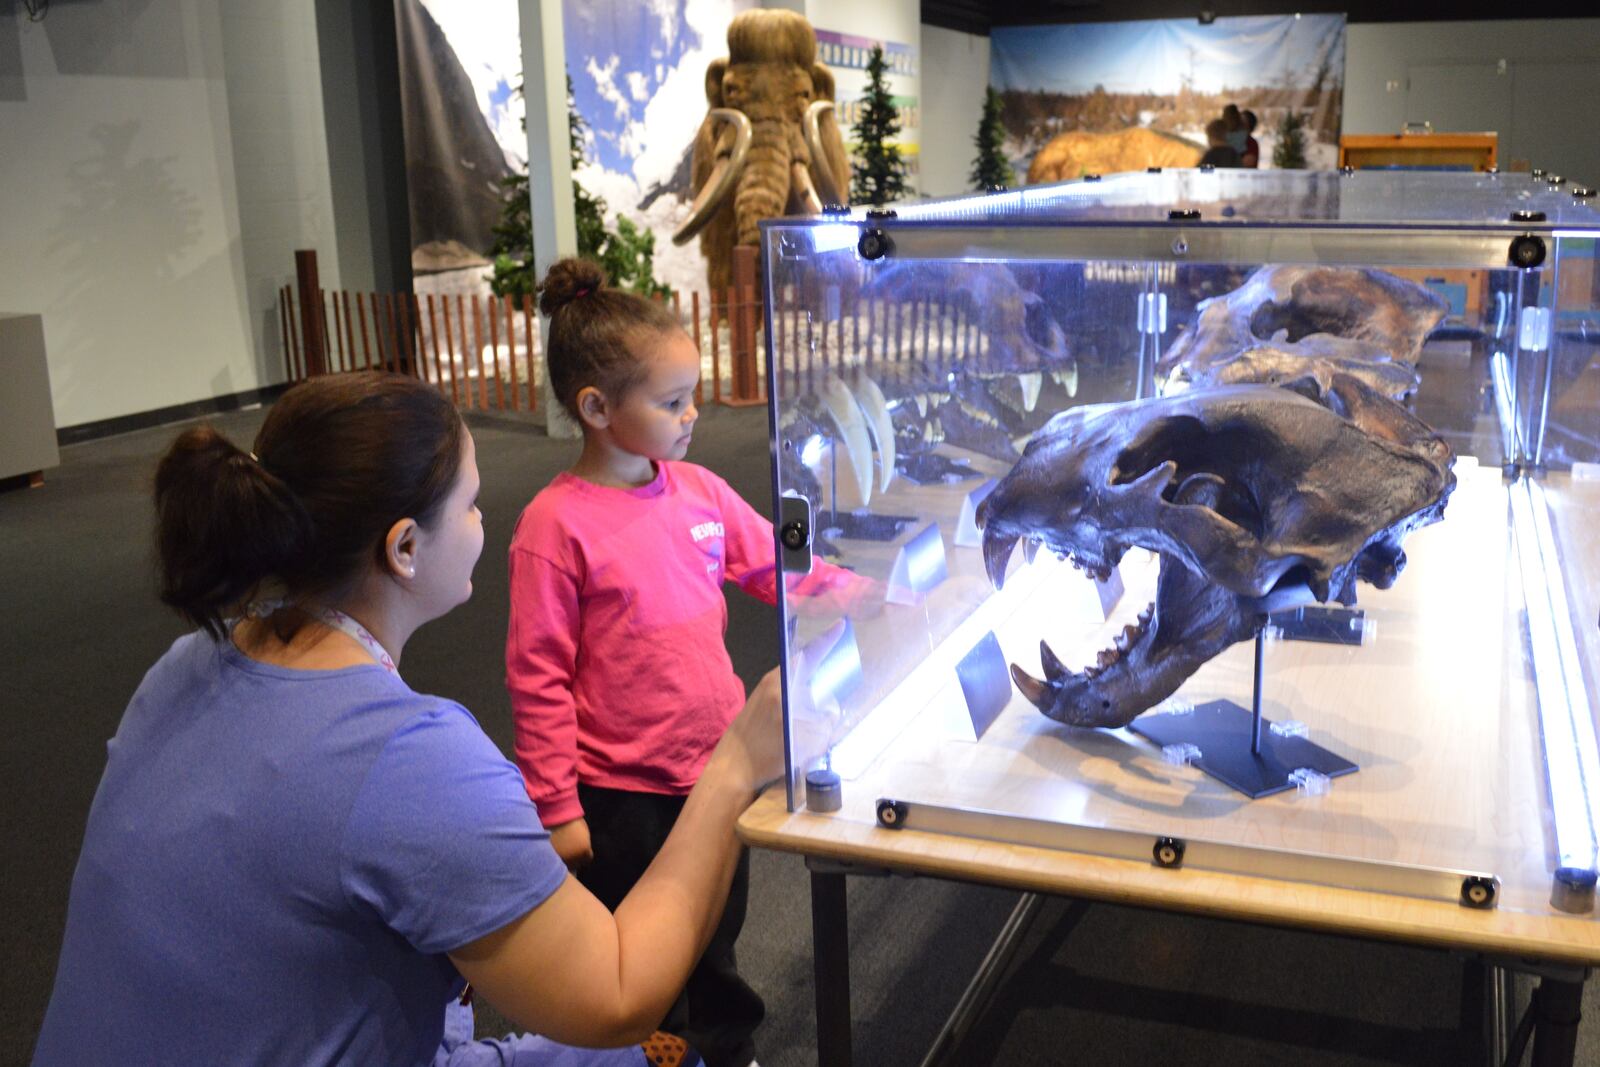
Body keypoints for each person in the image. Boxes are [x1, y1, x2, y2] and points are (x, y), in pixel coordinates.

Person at [32, 372, 783, 1067]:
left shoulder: (184, 664)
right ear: (405, 547)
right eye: (471, 502)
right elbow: (616, 994)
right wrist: (735, 764)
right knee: (631, 1051)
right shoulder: (411, 757)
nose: (484, 518)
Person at [506, 258, 872, 1067]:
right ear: (596, 409)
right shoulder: (553, 526)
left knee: (715, 924)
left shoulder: (700, 491)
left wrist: (860, 592)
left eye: (691, 396)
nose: (692, 415)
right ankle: (664, 1051)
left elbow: (776, 566)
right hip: (621, 792)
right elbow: (535, 679)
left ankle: (714, 1043)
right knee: (642, 946)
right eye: (672, 402)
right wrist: (556, 806)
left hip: (714, 770)